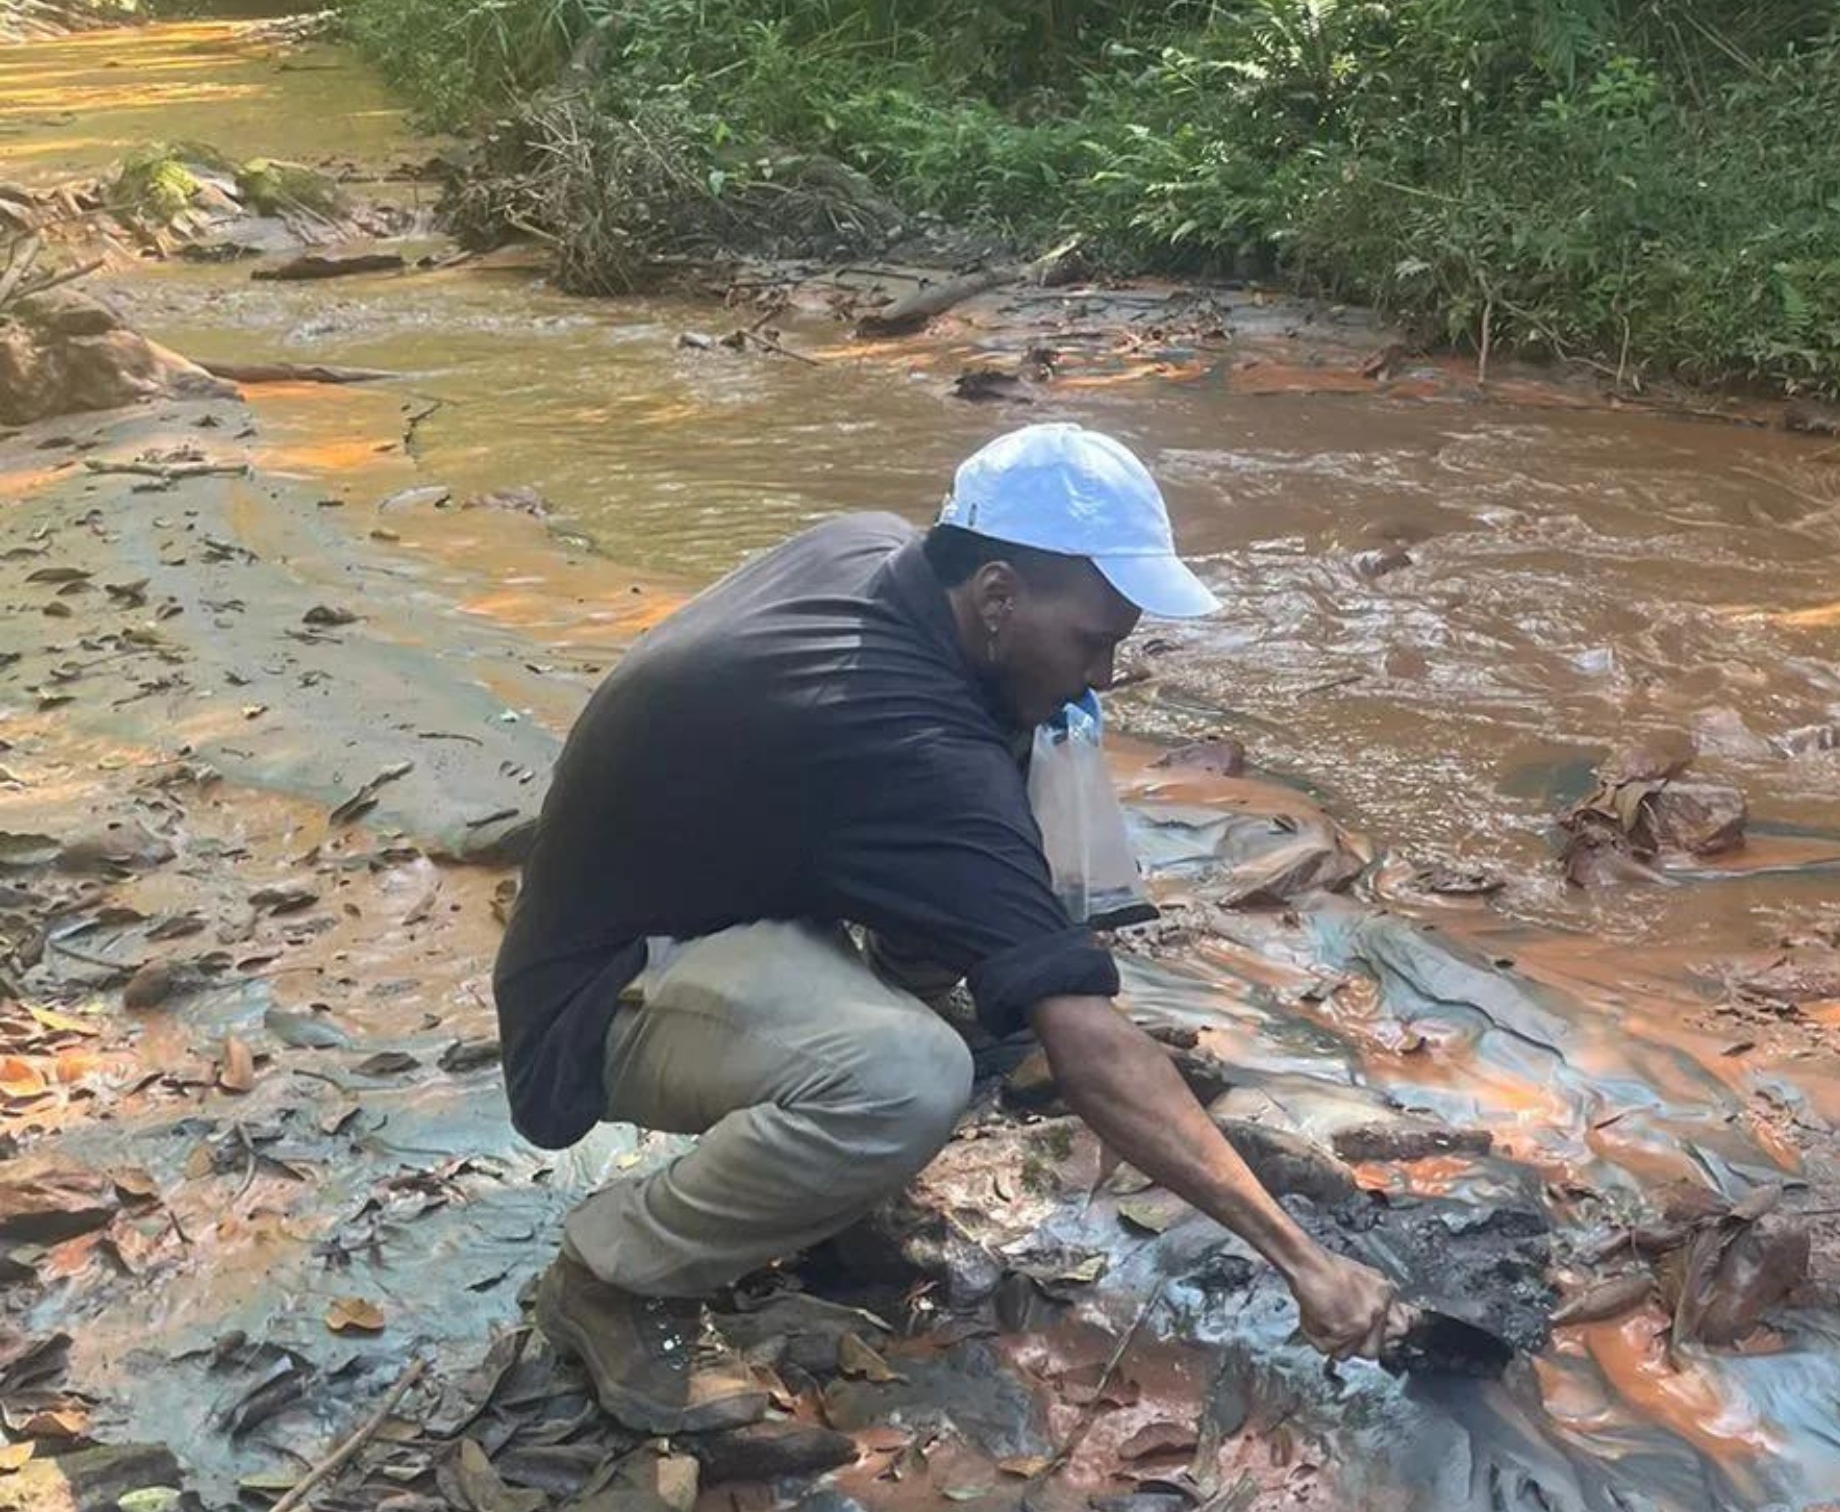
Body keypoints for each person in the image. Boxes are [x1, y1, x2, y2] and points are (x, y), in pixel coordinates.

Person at [492, 421, 1407, 1435]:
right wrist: (1305, 1263)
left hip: (706, 903)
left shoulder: (877, 548)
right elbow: (1088, 1039)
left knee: (991, 913)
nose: (1106, 672)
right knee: (907, 1076)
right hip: (601, 996)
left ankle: (820, 1168)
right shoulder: (906, 736)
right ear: (1000, 594)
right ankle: (614, 1276)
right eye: (1094, 640)